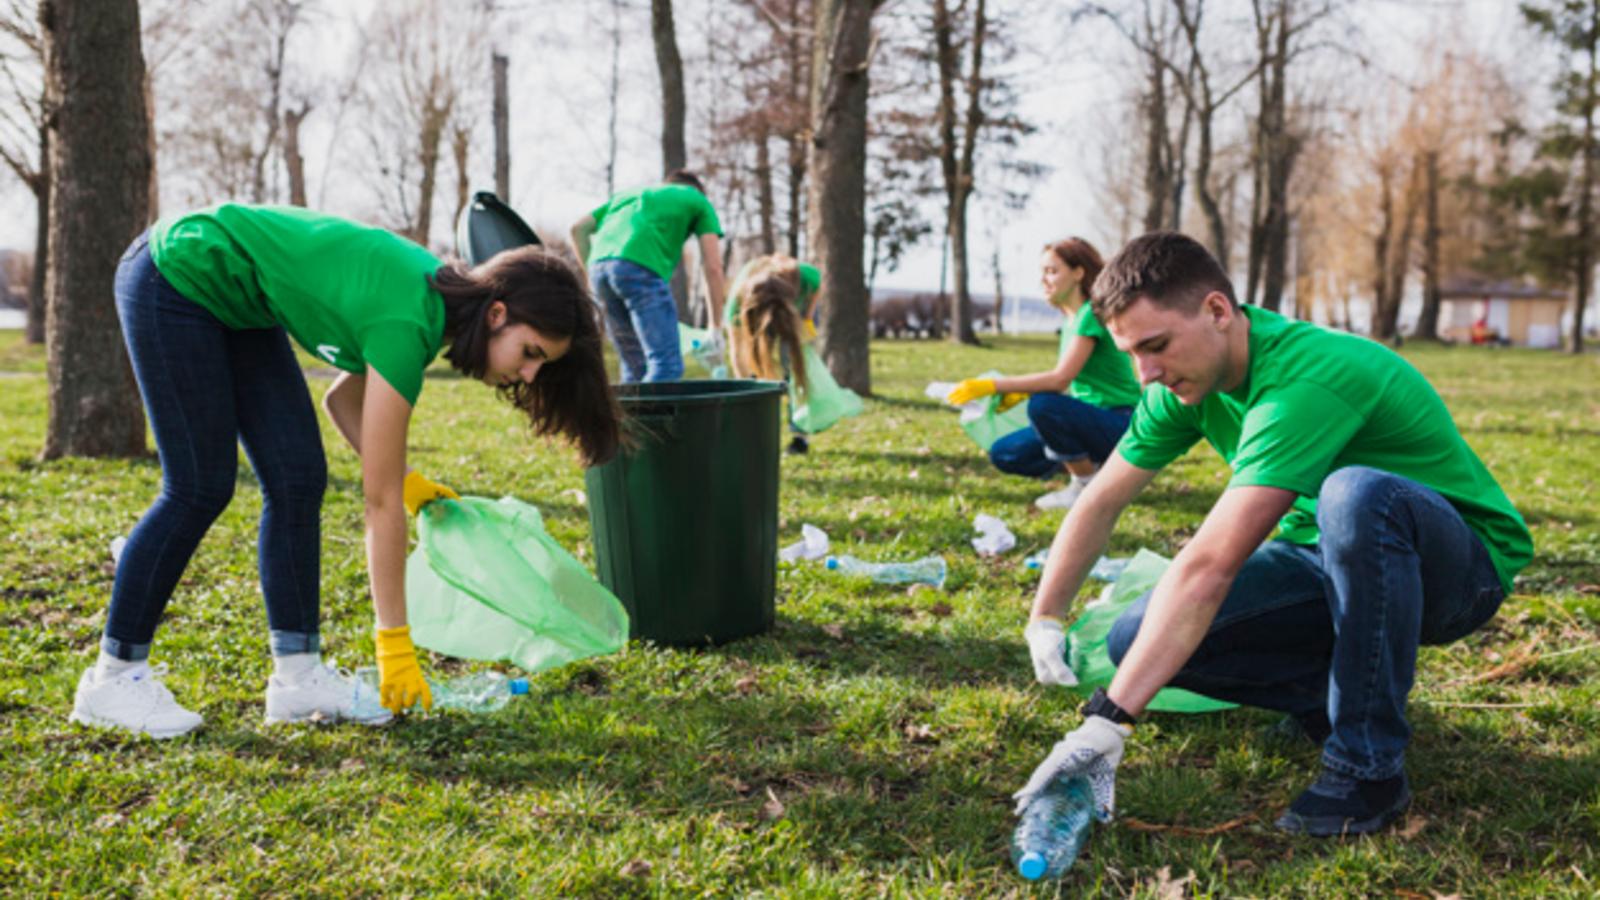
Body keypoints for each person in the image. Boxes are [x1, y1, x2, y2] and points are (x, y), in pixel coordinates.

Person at [1012, 232, 1531, 836]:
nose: (1145, 374)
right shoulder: (1178, 383)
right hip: (1324, 557)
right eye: (1130, 353)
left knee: (1357, 493)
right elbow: (1100, 500)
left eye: (1155, 346)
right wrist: (1045, 617)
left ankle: (1368, 767)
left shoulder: (1308, 376)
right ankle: (1329, 698)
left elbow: (1211, 564)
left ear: (1217, 311)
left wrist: (1107, 720)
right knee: (1133, 640)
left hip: (1456, 572)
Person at [69, 203, 621, 738]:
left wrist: (407, 482)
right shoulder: (408, 319)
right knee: (198, 485)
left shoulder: (433, 313)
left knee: (297, 477)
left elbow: (341, 403)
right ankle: (112, 680)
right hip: (177, 273)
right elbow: (377, 506)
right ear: (497, 314)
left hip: (241, 300)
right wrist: (394, 645)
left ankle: (299, 676)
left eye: (539, 365)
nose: (527, 373)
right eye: (530, 352)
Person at [945, 238, 1141, 510]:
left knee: (1043, 406)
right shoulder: (1071, 320)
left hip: (1120, 420)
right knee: (1005, 453)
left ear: (1078, 273)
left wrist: (993, 385)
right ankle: (1099, 469)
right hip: (1090, 418)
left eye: (1052, 271)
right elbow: (1069, 384)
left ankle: (1084, 486)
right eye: (1043, 273)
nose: (1044, 280)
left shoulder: (1090, 315)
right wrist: (1019, 393)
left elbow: (1061, 378)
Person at [570, 170, 727, 383]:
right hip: (639, 269)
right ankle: (653, 417)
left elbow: (578, 229)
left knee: (634, 366)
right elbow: (714, 267)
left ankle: (630, 417)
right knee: (666, 365)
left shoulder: (627, 195)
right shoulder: (697, 199)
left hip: (599, 270)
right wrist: (715, 327)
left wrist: (593, 276)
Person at [725, 254, 820, 454]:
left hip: (792, 313)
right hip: (758, 311)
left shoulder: (806, 276)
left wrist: (808, 316)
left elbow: (818, 286)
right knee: (757, 370)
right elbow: (736, 351)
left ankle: (800, 434)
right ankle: (757, 432)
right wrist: (745, 389)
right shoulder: (737, 303)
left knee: (794, 368)